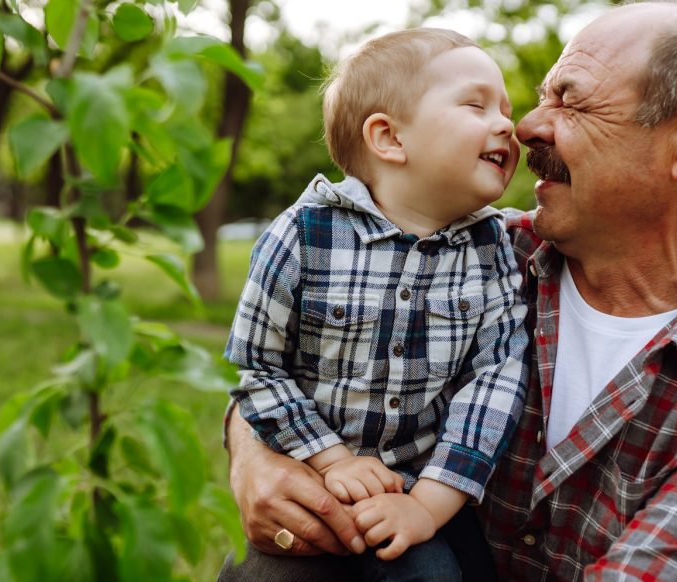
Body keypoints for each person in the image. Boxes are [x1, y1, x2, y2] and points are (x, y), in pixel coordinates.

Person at [222, 1, 677, 580]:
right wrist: (255, 454)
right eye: (539, 98)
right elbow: (286, 358)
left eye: (571, 102)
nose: (524, 127)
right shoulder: (466, 253)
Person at [220, 28, 529, 581]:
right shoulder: (303, 235)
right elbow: (255, 365)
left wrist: (427, 503)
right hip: (304, 475)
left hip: (424, 486)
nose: (508, 124)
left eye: (505, 108)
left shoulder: (492, 250)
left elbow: (496, 382)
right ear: (389, 138)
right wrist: (329, 458)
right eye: (476, 104)